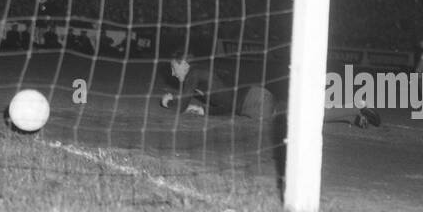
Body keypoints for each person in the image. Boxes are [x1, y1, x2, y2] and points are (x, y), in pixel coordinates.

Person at [159, 53, 381, 128]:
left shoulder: (194, 74)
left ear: (183, 64)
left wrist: (170, 102)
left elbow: (184, 105)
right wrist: (205, 111)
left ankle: (356, 107)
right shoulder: (201, 74)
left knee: (303, 121)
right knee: (302, 117)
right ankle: (353, 116)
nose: (172, 72)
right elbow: (226, 99)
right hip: (255, 98)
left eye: (173, 67)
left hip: (254, 103)